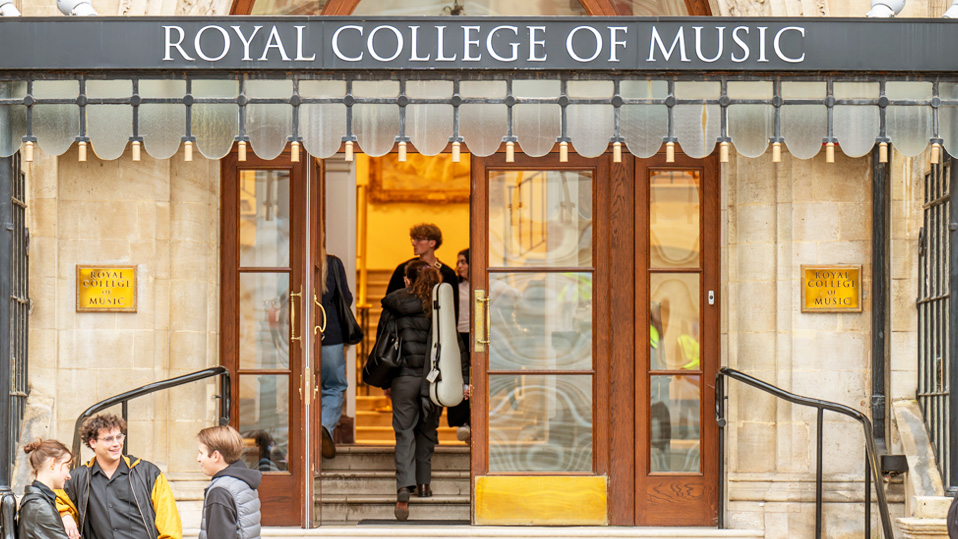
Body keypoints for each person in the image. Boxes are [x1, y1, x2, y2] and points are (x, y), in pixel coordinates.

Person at [380, 260, 468, 521]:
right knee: (427, 432)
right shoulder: (440, 306)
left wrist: (385, 380)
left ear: (406, 281)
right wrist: (463, 380)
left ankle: (403, 488)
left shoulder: (393, 305)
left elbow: (383, 343)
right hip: (433, 379)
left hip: (403, 377)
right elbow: (455, 346)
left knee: (404, 431)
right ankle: (424, 484)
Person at [56, 413, 182, 539]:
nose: (116, 444)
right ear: (93, 443)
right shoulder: (78, 477)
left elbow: (169, 524)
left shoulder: (149, 473)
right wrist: (65, 515)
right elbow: (54, 498)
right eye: (108, 439)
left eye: (119, 437)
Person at [318, 249, 354, 459]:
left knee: (303, 387)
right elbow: (346, 297)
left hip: (300, 336)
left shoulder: (294, 259)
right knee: (333, 386)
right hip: (331, 335)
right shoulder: (332, 263)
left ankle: (306, 436)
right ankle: (323, 427)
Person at [196, 426, 262, 539]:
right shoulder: (242, 481)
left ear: (216, 456)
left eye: (201, 453)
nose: (198, 458)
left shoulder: (220, 492)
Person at [386, 223, 459, 323]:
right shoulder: (403, 269)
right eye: (413, 239)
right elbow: (390, 301)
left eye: (419, 239)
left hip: (436, 326)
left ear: (432, 243)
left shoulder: (447, 273)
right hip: (407, 326)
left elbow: (453, 308)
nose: (413, 243)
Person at [17, 439, 73, 539]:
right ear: (53, 464)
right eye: (67, 466)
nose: (69, 475)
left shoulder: (38, 502)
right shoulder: (40, 507)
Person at [447, 248, 471, 443]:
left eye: (464, 261)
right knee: (460, 377)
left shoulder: (486, 285)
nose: (460, 266)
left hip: (478, 336)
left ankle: (473, 421)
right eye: (459, 262)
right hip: (459, 335)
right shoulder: (455, 286)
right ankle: (462, 420)